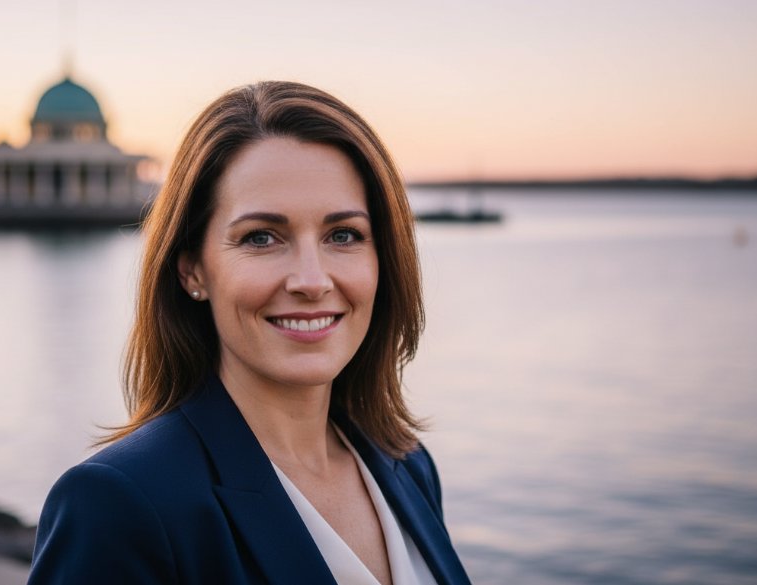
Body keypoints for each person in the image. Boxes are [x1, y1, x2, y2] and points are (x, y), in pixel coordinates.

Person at [28, 81, 472, 585]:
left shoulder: (408, 466)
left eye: (343, 235)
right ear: (193, 269)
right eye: (261, 238)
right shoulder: (119, 504)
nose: (311, 280)